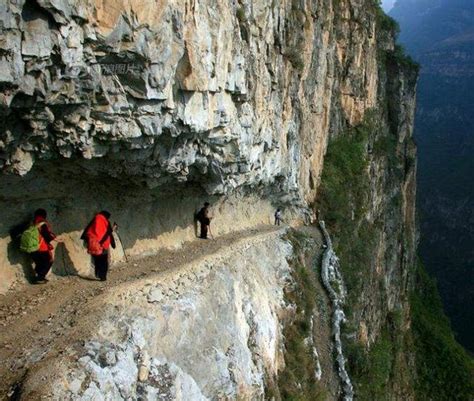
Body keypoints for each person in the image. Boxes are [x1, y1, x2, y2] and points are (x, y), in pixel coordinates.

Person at [82, 211, 116, 281]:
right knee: (103, 260)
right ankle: (103, 276)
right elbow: (108, 233)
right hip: (103, 245)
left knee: (97, 260)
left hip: (94, 244)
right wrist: (113, 244)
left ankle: (97, 274)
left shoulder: (94, 221)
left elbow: (86, 233)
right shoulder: (105, 222)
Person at [30, 208, 57, 283]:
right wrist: (55, 239)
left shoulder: (32, 223)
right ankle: (40, 278)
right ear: (44, 215)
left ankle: (38, 276)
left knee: (39, 262)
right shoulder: (42, 223)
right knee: (48, 261)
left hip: (31, 247)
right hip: (41, 247)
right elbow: (46, 235)